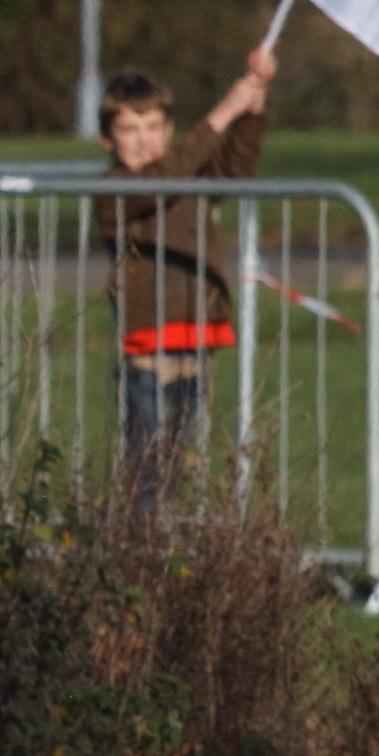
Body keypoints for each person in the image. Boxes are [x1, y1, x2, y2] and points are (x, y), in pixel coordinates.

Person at [96, 45, 277, 495]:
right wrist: (224, 111)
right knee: (147, 466)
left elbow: (233, 167)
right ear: (108, 140)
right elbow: (165, 178)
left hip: (194, 342)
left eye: (154, 127)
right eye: (129, 130)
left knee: (176, 465)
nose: (144, 140)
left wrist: (253, 106)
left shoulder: (187, 175)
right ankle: (139, 553)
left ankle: (163, 552)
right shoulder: (114, 190)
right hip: (147, 350)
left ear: (170, 128)